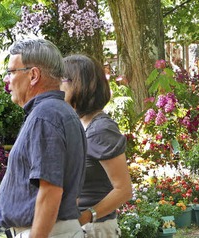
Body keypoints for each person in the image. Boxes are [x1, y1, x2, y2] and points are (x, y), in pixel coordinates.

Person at [0, 39, 86, 237]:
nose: (7, 79)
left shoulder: (46, 115)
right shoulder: (57, 112)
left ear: (33, 75)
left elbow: (51, 191)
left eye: (11, 72)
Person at [61, 55, 133, 237]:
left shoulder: (101, 129)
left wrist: (86, 217)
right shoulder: (78, 123)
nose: (56, 86)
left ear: (78, 84)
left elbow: (123, 190)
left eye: (60, 80)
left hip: (95, 229)